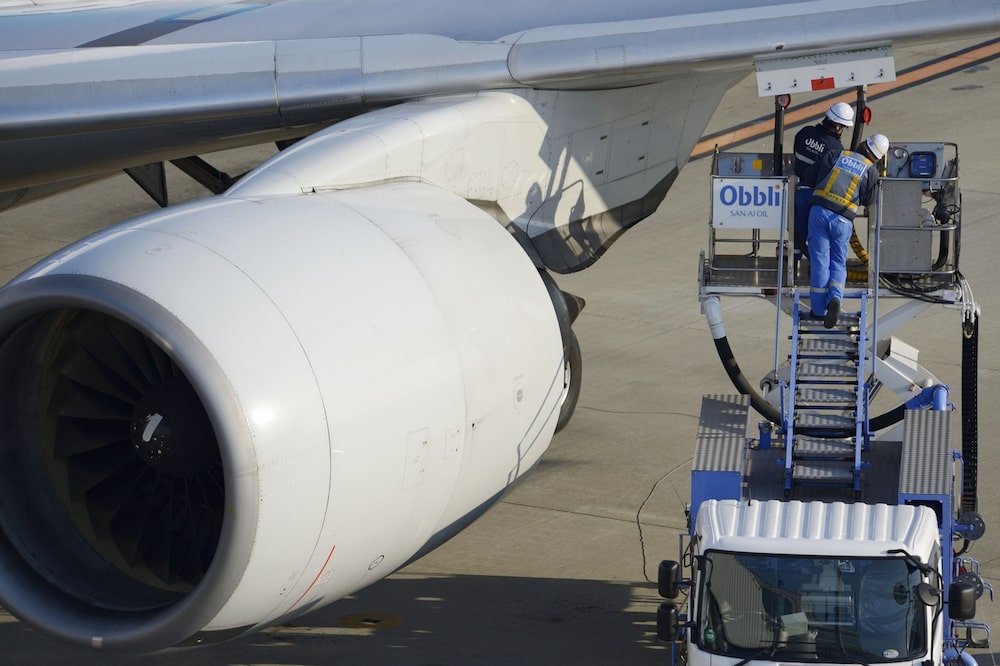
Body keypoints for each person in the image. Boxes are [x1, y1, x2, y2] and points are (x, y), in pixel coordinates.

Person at [807, 133, 888, 328]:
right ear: (878, 157)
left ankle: (818, 311)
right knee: (838, 263)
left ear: (862, 144)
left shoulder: (836, 154)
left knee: (820, 262)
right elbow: (869, 200)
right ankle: (835, 298)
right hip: (843, 220)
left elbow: (813, 176)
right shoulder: (871, 171)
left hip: (819, 212)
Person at [792, 102, 855, 256]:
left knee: (797, 233)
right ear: (838, 126)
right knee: (819, 237)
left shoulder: (805, 132)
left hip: (799, 192)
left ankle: (791, 268)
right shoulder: (835, 148)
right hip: (819, 198)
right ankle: (817, 267)